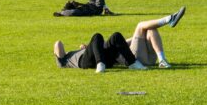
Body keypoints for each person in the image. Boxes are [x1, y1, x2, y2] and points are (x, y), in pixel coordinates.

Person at [54, 7, 186, 72]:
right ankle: (169, 19)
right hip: (87, 62)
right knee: (97, 36)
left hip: (107, 58)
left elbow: (117, 43)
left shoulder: (96, 49)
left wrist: (86, 47)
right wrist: (86, 48)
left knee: (119, 35)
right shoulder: (65, 60)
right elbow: (58, 44)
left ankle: (149, 61)